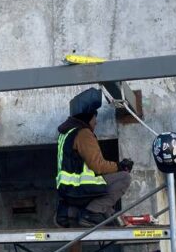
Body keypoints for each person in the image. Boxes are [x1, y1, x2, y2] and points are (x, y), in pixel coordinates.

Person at [55, 88, 133, 227]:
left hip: (68, 189)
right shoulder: (83, 133)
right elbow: (97, 165)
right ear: (88, 118)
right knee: (124, 178)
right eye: (94, 118)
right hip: (80, 187)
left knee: (108, 213)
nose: (96, 122)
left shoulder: (66, 134)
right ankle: (91, 214)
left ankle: (69, 212)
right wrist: (120, 166)